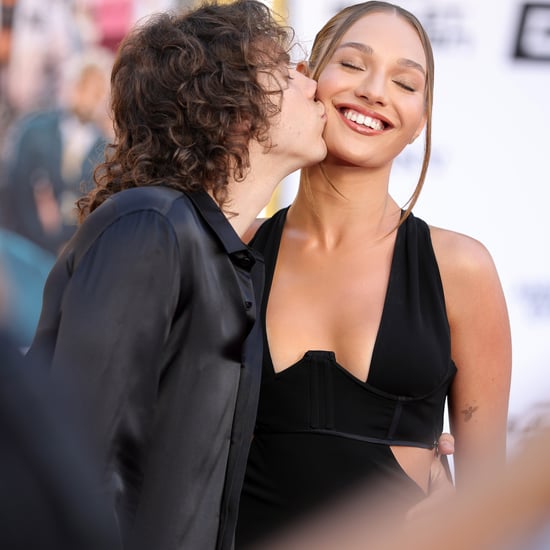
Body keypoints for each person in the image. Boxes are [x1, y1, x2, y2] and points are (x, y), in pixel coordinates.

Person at [25, 1, 327, 549]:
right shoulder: (152, 224)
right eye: (285, 71)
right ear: (234, 108)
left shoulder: (217, 252)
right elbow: (84, 456)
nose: (311, 85)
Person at [236, 2, 512, 547]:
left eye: (405, 83)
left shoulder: (460, 270)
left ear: (419, 123)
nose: (375, 91)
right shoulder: (236, 247)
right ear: (308, 78)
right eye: (355, 64)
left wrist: (463, 516)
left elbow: (491, 509)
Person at [0, 46, 113, 255]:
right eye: (83, 86)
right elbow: (13, 186)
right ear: (71, 86)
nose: (88, 96)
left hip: (76, 255)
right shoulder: (34, 130)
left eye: (96, 90)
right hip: (25, 246)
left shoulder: (107, 150)